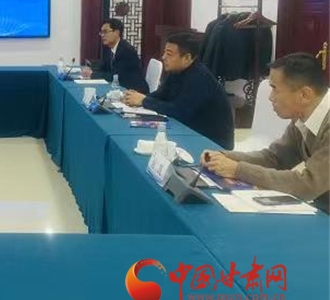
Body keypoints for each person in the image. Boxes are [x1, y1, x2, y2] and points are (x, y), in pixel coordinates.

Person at [202, 53, 329, 212]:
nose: (270, 97)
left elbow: (308, 185)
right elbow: (275, 158)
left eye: (275, 89)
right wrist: (224, 157)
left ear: (304, 95)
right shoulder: (302, 117)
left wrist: (238, 170)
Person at [123, 32, 234, 149]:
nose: (163, 57)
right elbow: (161, 95)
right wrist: (136, 97)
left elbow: (179, 111)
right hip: (189, 129)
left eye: (169, 54)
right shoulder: (176, 71)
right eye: (165, 52)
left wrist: (144, 101)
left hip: (212, 143)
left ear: (187, 58)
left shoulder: (200, 78)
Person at [94, 18, 149, 93]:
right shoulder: (109, 48)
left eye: (105, 32)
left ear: (117, 32)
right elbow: (104, 68)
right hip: (120, 88)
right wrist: (92, 72)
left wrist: (93, 75)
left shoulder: (126, 51)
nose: (102, 35)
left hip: (134, 91)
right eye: (101, 32)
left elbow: (115, 76)